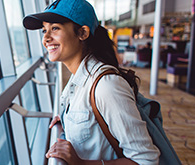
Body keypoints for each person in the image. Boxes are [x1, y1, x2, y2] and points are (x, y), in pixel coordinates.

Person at [23, 0, 160, 164]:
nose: (46, 38)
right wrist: (66, 118)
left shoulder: (106, 87)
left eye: (55, 28)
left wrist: (81, 163)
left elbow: (146, 160)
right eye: (44, 30)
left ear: (82, 33)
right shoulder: (78, 78)